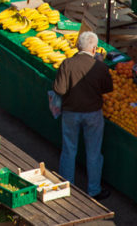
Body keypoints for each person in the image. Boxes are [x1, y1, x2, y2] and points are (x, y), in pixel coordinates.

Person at [53, 31, 113, 200]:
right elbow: (108, 88)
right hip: (93, 114)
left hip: (70, 113)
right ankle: (93, 190)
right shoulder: (100, 67)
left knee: (69, 150)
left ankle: (66, 185)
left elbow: (59, 89)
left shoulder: (67, 64)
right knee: (93, 152)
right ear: (94, 49)